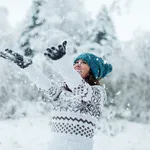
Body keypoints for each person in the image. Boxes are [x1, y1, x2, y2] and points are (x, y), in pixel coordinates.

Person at [0, 41, 112, 150]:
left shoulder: (97, 93)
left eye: (84, 62)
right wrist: (27, 66)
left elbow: (79, 87)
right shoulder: (63, 94)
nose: (78, 64)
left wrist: (61, 61)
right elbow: (45, 85)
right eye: (76, 62)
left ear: (92, 70)